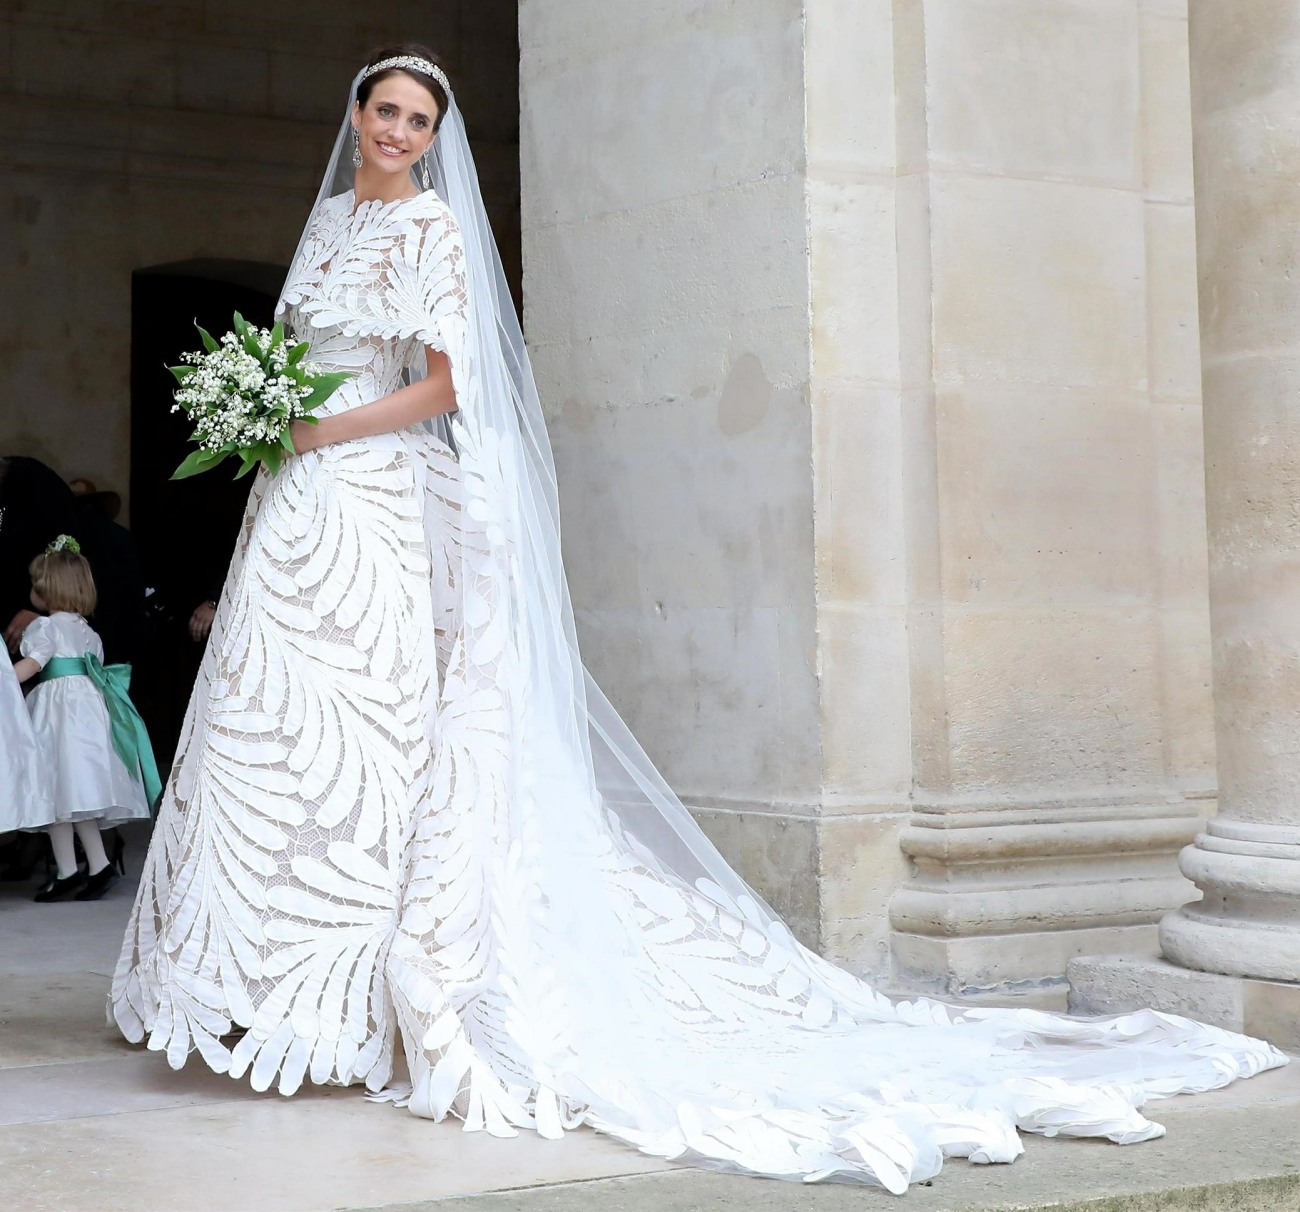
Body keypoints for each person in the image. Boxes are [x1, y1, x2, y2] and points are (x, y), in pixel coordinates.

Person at [110, 45, 1286, 1192]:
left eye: (418, 121)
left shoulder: (429, 226)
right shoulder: (327, 224)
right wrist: (269, 413)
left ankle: (356, 1010)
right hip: (294, 504)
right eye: (385, 114)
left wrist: (325, 429)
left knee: (370, 724)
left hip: (369, 491)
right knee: (271, 723)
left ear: (433, 137)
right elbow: (295, 352)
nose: (397, 134)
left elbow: (445, 384)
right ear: (355, 113)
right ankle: (249, 990)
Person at [12, 537, 158, 901]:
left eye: (36, 584)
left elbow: (32, 665)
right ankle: (95, 866)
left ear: (48, 591)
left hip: (57, 712)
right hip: (87, 712)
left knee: (55, 790)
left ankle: (71, 871)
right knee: (73, 794)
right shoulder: (87, 631)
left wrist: (4, 675)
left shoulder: (44, 629)